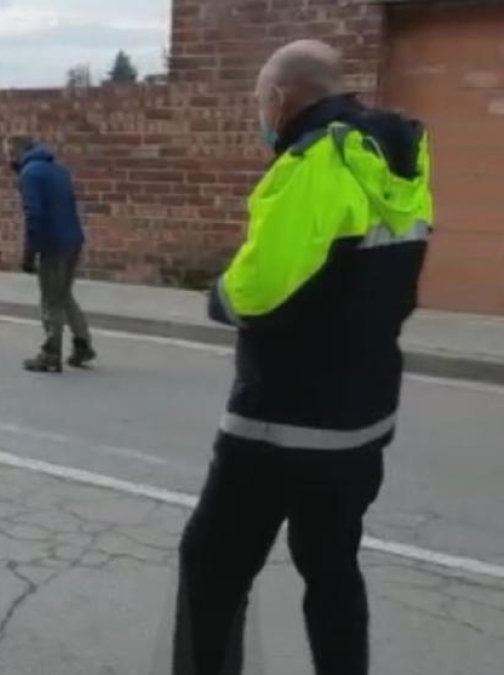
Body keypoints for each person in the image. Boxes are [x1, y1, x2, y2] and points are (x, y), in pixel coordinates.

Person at [173, 40, 432, 675]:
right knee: (332, 568)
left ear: (280, 98)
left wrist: (220, 297)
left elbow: (257, 291)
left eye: (260, 101)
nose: (260, 114)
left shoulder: (313, 164)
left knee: (212, 565)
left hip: (280, 425)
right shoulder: (400, 162)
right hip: (363, 423)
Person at [4, 136, 95, 373]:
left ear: (16, 152)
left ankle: (50, 353)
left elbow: (34, 216)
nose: (7, 159)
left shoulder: (30, 175)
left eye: (8, 153)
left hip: (52, 244)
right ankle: (82, 344)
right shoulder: (59, 170)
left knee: (51, 300)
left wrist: (28, 254)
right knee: (63, 295)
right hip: (73, 240)